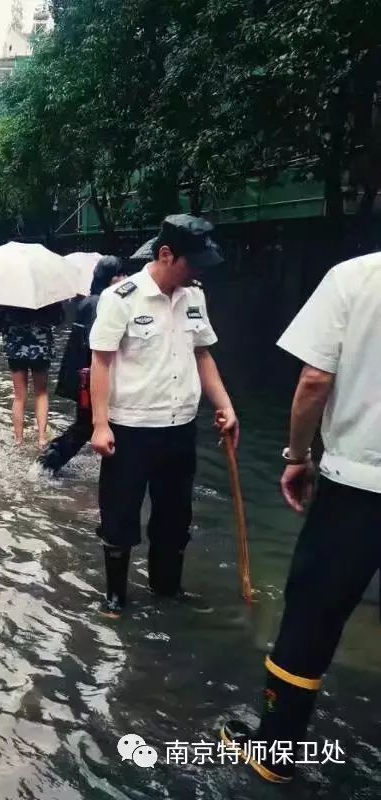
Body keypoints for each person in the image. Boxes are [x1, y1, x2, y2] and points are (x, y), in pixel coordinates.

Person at [220, 252, 381, 785]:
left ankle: (276, 749)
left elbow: (314, 380)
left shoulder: (357, 278)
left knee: (314, 612)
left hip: (360, 483)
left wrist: (296, 457)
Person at [88, 214, 238, 619]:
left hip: (180, 426)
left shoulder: (194, 297)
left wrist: (225, 405)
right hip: (130, 428)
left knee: (175, 518)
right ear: (167, 254)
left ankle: (167, 590)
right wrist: (101, 424)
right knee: (120, 516)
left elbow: (202, 353)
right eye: (193, 263)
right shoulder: (121, 298)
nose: (198, 272)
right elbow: (100, 362)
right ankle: (116, 598)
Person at [40, 256, 129, 472]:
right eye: (122, 275)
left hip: (83, 377)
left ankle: (49, 462)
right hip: (90, 379)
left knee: (87, 426)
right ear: (112, 277)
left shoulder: (90, 301)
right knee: (85, 427)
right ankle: (48, 462)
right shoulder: (100, 303)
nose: (127, 280)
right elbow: (98, 348)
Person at [0, 302, 64, 447]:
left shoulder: (7, 293)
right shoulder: (47, 291)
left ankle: (19, 440)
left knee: (19, 396)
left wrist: (11, 327)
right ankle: (42, 438)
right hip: (41, 345)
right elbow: (58, 319)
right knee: (41, 393)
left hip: (15, 346)